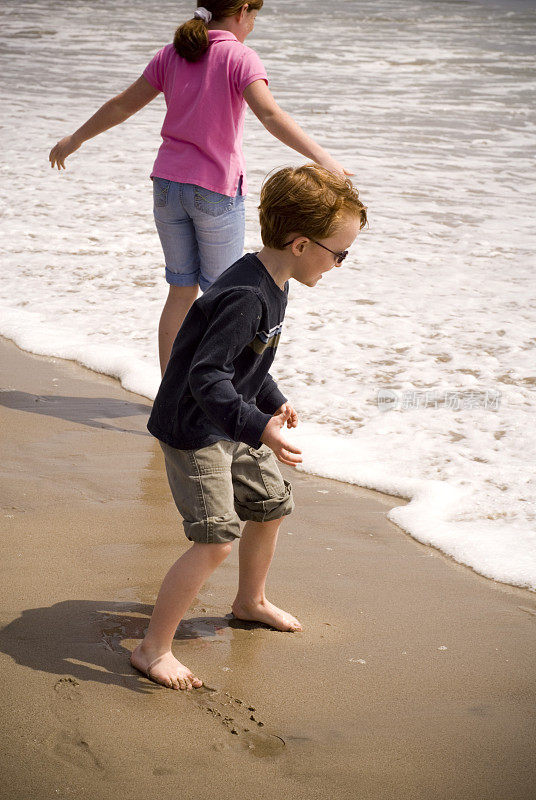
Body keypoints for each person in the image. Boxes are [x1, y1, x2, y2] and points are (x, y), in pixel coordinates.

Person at [129, 163, 368, 690]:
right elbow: (205, 376)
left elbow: (248, 360)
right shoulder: (247, 294)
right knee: (215, 540)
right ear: (302, 243)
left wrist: (274, 400)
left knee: (269, 503)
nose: (341, 264)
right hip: (195, 429)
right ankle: (152, 649)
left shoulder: (274, 279)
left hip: (235, 417)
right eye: (340, 253)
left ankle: (250, 600)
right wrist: (260, 428)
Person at [48, 1, 352, 374]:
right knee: (229, 298)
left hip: (166, 188)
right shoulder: (240, 57)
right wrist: (323, 158)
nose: (253, 26)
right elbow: (271, 115)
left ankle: (168, 393)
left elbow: (123, 104)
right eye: (254, 17)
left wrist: (75, 138)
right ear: (242, 11)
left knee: (180, 290)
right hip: (214, 192)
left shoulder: (172, 53)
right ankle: (224, 396)